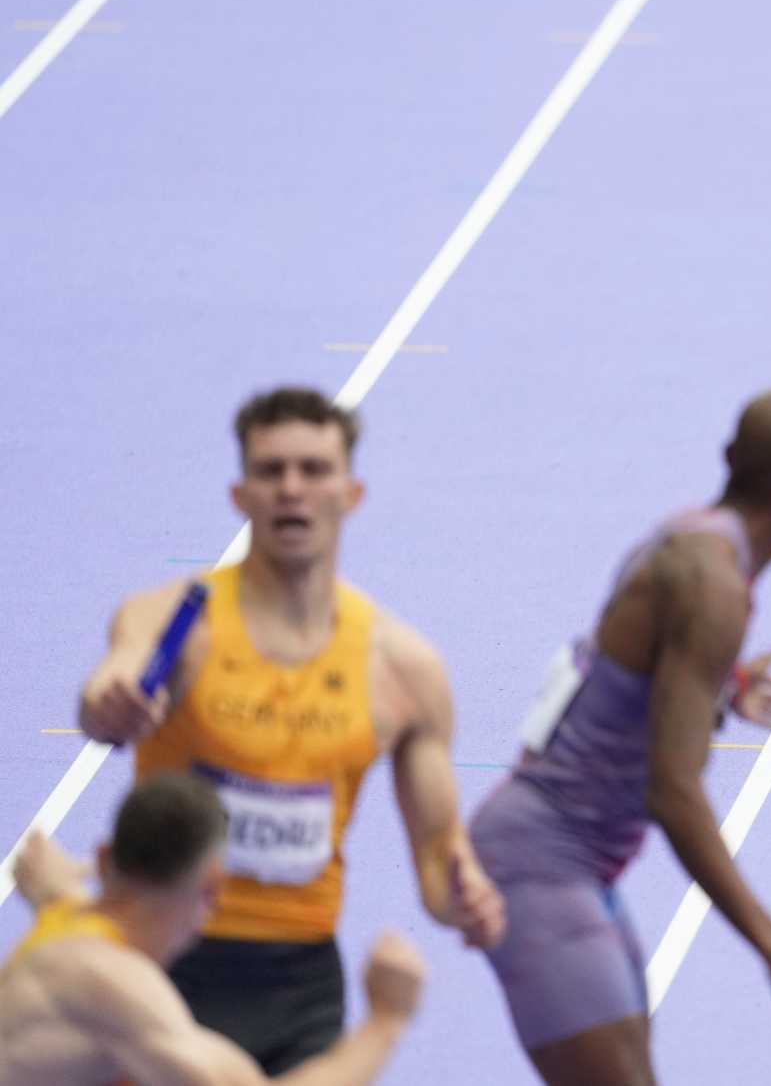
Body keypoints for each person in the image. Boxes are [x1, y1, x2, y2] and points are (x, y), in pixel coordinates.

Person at [76, 388, 505, 1072]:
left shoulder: (403, 668)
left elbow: (437, 856)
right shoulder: (175, 623)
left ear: (352, 492)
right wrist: (108, 701)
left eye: (313, 469)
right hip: (163, 960)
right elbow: (113, 681)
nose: (292, 489)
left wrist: (464, 899)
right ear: (240, 494)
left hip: (301, 981)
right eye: (271, 471)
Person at [470, 388, 771, 1085]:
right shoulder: (715, 588)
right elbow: (673, 794)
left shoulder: (683, 535)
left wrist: (723, 685)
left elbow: (618, 663)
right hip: (539, 863)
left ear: (730, 457)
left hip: (570, 859)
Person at [0, 772, 425, 1085]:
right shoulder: (119, 989)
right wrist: (386, 1022)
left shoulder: (70, 921)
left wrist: (50, 889)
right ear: (214, 889)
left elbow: (60, 894)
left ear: (106, 859)